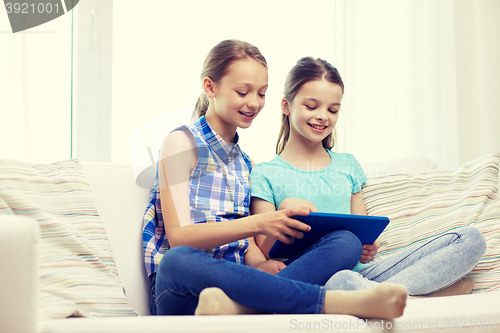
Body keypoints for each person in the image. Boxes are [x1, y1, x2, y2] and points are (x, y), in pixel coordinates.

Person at [142, 40, 408, 319]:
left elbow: (249, 247)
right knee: (177, 260)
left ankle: (247, 308)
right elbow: (180, 237)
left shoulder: (249, 166)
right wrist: (261, 222)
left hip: (239, 288)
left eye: (261, 93)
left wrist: (260, 264)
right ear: (210, 87)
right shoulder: (180, 143)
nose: (254, 103)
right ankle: (332, 302)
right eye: (243, 91)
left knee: (346, 241)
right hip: (185, 287)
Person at [250, 56, 487, 297]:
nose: (323, 116)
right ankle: (416, 295)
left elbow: (360, 232)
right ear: (286, 105)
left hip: (360, 276)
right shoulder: (265, 173)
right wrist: (288, 215)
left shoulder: (347, 165)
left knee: (469, 238)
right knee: (342, 267)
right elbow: (267, 250)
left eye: (333, 109)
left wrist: (366, 247)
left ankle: (380, 296)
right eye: (311, 107)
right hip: (309, 276)